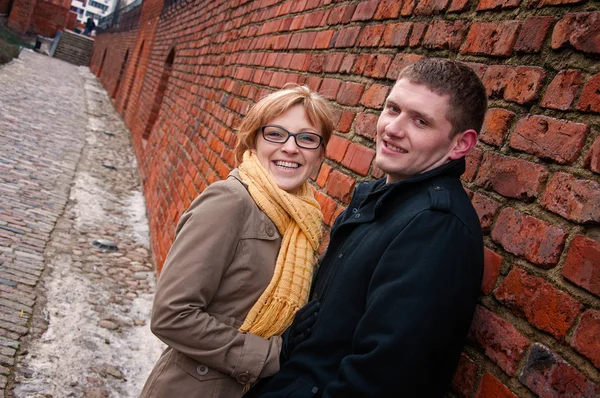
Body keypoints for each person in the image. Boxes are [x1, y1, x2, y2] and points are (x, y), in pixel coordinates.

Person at [244, 58, 488, 397]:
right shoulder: (383, 198)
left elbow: (382, 381)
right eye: (392, 109)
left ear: (460, 144)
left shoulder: (436, 228)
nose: (393, 128)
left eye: (420, 121)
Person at [140, 85, 334, 397]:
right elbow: (171, 316)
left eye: (307, 138)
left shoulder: (303, 224)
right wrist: (272, 355)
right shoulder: (230, 201)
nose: (291, 147)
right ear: (254, 141)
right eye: (275, 134)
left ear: (320, 155)